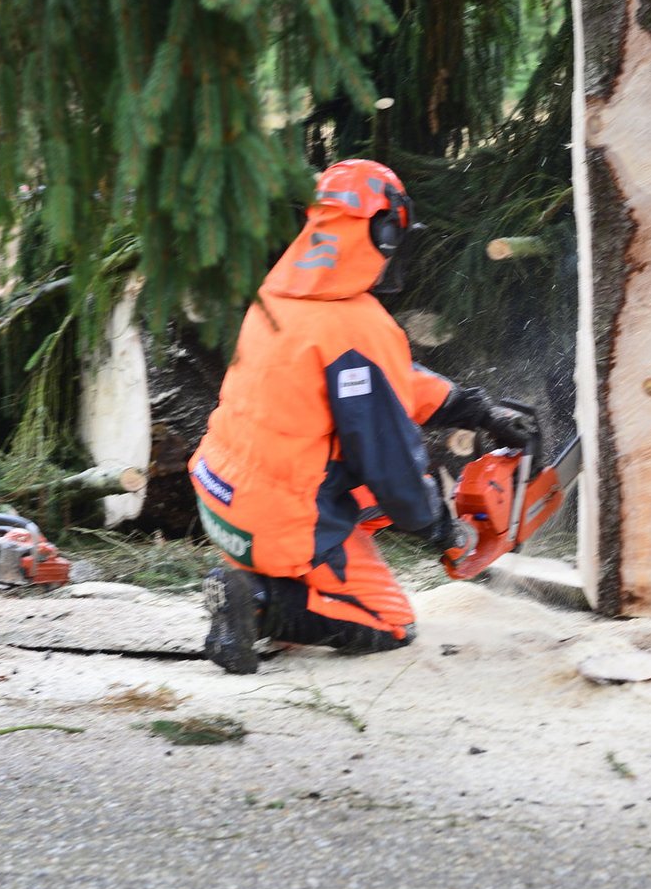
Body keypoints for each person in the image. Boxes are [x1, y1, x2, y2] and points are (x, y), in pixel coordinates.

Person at [189, 158, 535, 672]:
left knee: (354, 490)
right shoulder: (356, 328)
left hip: (222, 501)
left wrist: (474, 408)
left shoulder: (280, 298)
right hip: (282, 522)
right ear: (385, 229)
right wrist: (441, 528)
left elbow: (384, 382)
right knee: (390, 622)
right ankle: (259, 601)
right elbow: (391, 465)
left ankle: (265, 577)